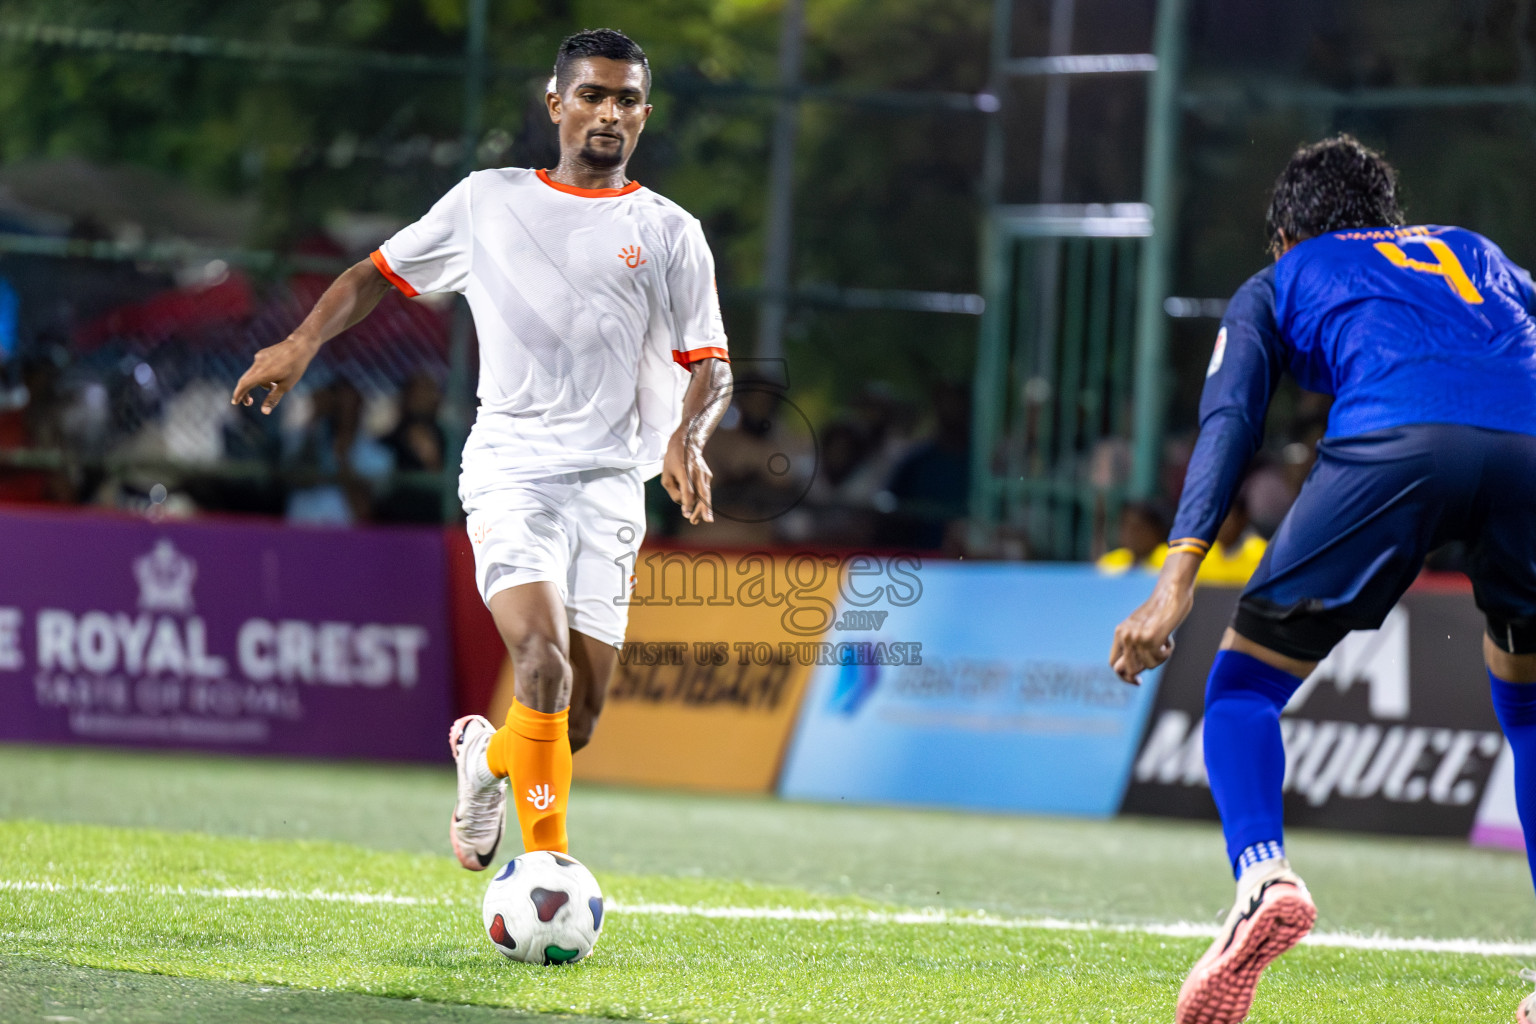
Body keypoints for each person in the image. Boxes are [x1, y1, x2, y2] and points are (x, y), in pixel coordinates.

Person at [232, 28, 731, 869]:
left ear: (644, 114)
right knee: (540, 662)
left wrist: (689, 433)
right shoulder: (487, 202)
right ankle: (545, 872)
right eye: (591, 95)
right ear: (556, 103)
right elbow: (373, 275)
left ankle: (485, 756)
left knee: (573, 721)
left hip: (612, 487)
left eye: (625, 100)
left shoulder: (671, 231)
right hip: (512, 474)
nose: (608, 112)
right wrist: (300, 343)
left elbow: (710, 365)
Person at [1109, 135, 1536, 1024]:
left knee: (1244, 685)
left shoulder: (1283, 276)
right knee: (1531, 707)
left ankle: (1262, 878)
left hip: (1397, 442)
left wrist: (1176, 578)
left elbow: (1230, 421)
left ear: (1283, 232)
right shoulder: (1474, 252)